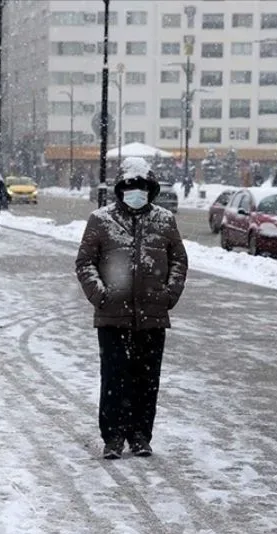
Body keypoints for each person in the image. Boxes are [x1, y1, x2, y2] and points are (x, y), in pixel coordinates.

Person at [75, 157, 189, 460]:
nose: (135, 192)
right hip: (113, 316)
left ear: (150, 189)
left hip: (152, 316)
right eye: (130, 186)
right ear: (120, 188)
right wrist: (100, 295)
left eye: (141, 187)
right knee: (114, 379)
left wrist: (168, 296)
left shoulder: (164, 220)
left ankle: (140, 435)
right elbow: (85, 262)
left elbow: (179, 260)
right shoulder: (101, 220)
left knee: (146, 380)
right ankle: (112, 437)